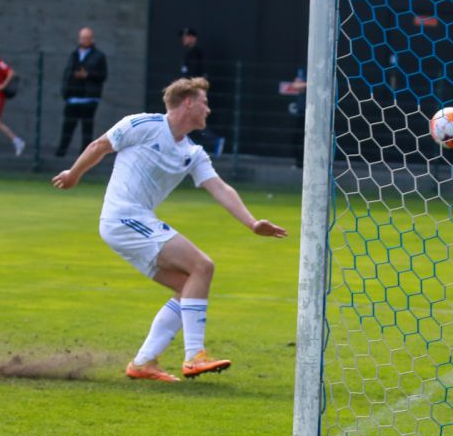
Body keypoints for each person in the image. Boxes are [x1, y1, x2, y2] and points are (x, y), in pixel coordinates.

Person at [51, 77, 287, 382]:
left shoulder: (193, 152)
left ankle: (143, 362)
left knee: (188, 284)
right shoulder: (143, 124)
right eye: (204, 102)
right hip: (123, 217)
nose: (209, 110)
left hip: (132, 222)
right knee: (202, 265)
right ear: (188, 101)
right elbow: (100, 146)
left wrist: (252, 223)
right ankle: (194, 356)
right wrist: (74, 173)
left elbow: (220, 188)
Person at [55, 27, 108, 157]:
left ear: (92, 39)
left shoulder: (99, 56)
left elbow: (103, 75)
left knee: (87, 129)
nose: (84, 40)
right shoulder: (74, 55)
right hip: (73, 97)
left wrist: (87, 75)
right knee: (68, 126)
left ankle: (85, 156)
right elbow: (67, 74)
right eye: (82, 38)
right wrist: (65, 92)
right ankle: (60, 154)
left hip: (89, 98)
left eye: (87, 38)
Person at [177, 27, 224, 156]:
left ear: (193, 38)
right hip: (190, 94)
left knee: (190, 120)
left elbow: (194, 77)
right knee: (187, 121)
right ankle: (185, 148)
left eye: (186, 36)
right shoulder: (190, 53)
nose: (184, 39)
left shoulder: (195, 54)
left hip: (192, 94)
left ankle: (214, 141)